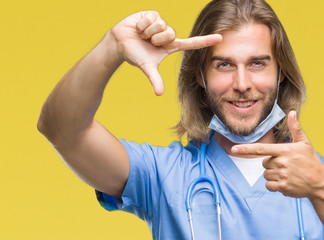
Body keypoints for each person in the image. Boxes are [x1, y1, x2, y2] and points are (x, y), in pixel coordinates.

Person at [38, 0, 324, 238]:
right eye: (223, 65)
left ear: (281, 72)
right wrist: (111, 46)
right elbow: (61, 128)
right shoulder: (162, 175)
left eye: (257, 63)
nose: (242, 83)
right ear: (200, 75)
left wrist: (319, 187)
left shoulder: (319, 174)